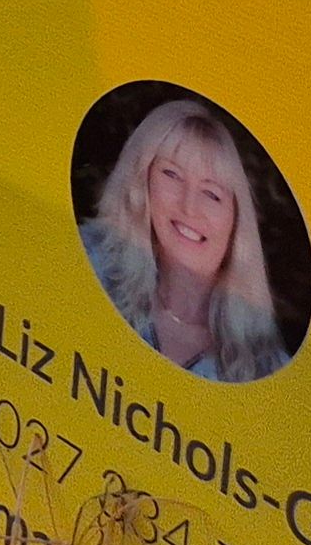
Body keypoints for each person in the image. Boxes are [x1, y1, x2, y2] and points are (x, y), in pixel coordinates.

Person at [82, 94, 289, 384]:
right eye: (172, 174)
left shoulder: (267, 366)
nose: (189, 207)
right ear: (143, 180)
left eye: (211, 193)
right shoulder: (87, 265)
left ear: (236, 220)